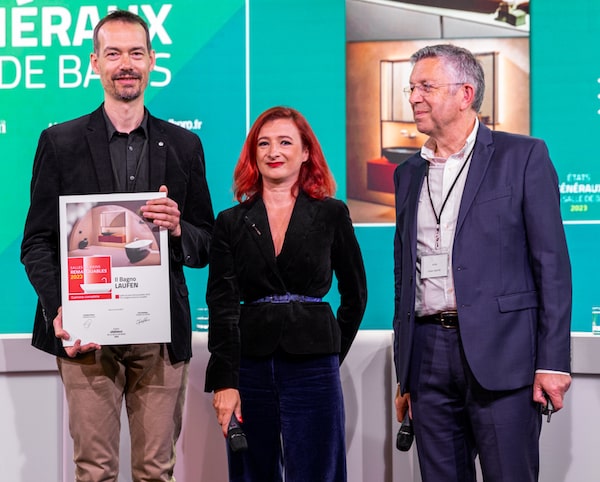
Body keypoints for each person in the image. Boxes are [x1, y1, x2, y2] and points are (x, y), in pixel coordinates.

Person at [20, 10, 214, 482]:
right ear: (94, 64)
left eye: (135, 53)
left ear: (151, 61)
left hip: (159, 337)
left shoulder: (184, 146)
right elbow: (37, 243)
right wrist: (60, 308)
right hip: (87, 335)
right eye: (113, 53)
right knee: (95, 472)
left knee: (155, 471)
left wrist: (177, 229)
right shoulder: (59, 142)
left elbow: (206, 242)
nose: (125, 64)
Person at [392, 44, 572, 482]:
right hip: (429, 357)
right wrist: (406, 372)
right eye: (411, 87)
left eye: (426, 87)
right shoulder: (408, 173)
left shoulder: (522, 156)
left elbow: (551, 263)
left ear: (465, 93)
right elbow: (403, 274)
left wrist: (553, 362)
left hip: (504, 355)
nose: (413, 97)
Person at [204, 106, 367, 482]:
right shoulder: (231, 222)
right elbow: (222, 306)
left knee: (319, 472)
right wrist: (226, 381)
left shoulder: (331, 214)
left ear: (306, 152)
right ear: (253, 153)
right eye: (263, 143)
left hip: (314, 367)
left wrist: (327, 350)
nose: (273, 151)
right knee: (251, 472)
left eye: (284, 142)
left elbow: (356, 294)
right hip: (250, 365)